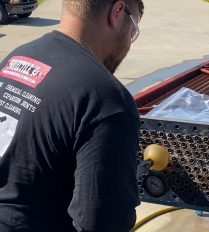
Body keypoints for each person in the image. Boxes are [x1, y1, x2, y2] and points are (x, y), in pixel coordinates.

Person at [0, 0, 144, 231]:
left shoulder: (17, 58)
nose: (129, 41)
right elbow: (102, 223)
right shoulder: (107, 99)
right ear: (117, 12)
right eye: (133, 29)